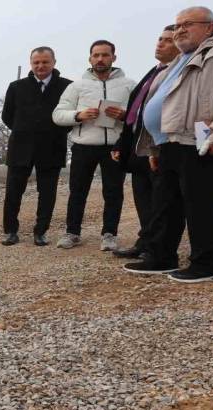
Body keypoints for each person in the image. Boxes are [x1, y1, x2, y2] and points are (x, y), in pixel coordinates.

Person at [124, 6, 213, 282]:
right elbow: (160, 104)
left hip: (204, 141)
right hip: (170, 142)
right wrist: (155, 146)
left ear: (210, 27)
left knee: (201, 203)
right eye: (178, 25)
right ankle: (162, 257)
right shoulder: (178, 61)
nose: (180, 29)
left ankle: (207, 264)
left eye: (188, 24)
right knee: (165, 204)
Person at [52, 40, 135, 251]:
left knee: (114, 191)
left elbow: (140, 115)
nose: (100, 59)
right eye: (96, 55)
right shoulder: (77, 86)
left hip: (115, 146)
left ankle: (109, 234)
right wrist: (78, 115)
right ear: (90, 58)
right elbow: (57, 115)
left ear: (113, 58)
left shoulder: (129, 85)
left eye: (105, 55)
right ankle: (72, 232)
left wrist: (125, 115)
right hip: (83, 146)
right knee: (78, 191)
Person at [110, 26, 180, 259]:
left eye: (168, 41)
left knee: (163, 201)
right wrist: (122, 143)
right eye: (159, 39)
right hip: (139, 147)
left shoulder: (178, 73)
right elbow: (137, 113)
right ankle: (145, 241)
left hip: (161, 146)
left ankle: (159, 248)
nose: (160, 44)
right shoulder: (153, 72)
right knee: (143, 198)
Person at [0, 46, 73, 246]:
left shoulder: (68, 86)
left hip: (52, 148)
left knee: (47, 193)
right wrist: (24, 131)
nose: (41, 66)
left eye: (45, 62)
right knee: (13, 192)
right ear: (31, 64)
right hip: (20, 148)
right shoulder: (16, 87)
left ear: (54, 63)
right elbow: (7, 116)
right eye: (36, 62)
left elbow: (70, 118)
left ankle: (41, 232)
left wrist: (54, 133)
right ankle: (10, 231)